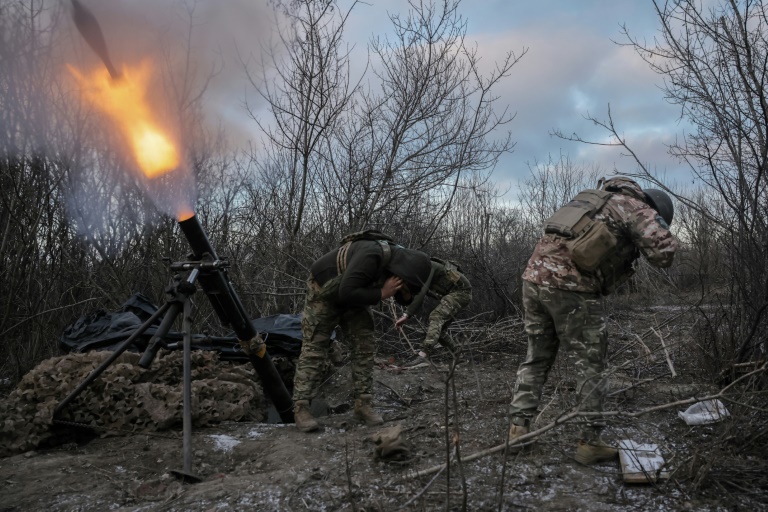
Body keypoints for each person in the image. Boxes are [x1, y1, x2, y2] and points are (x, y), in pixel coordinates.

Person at [508, 177, 678, 465]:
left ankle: (517, 431)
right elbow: (664, 255)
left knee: (536, 358)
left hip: (533, 282)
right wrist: (656, 229)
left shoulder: (588, 200)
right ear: (654, 206)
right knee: (591, 366)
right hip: (571, 290)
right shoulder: (635, 207)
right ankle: (589, 443)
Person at [293, 238, 432, 432]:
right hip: (324, 290)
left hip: (354, 293)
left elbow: (400, 298)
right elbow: (346, 291)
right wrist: (382, 292)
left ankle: (363, 404)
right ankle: (301, 408)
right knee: (316, 346)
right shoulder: (372, 255)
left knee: (364, 345)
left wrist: (399, 293)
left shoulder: (397, 265)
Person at [394, 257, 472, 357]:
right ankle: (458, 356)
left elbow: (421, 293)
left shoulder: (428, 267)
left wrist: (406, 314)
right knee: (440, 330)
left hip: (462, 292)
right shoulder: (420, 274)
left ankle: (424, 354)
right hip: (457, 294)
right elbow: (419, 295)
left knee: (436, 316)